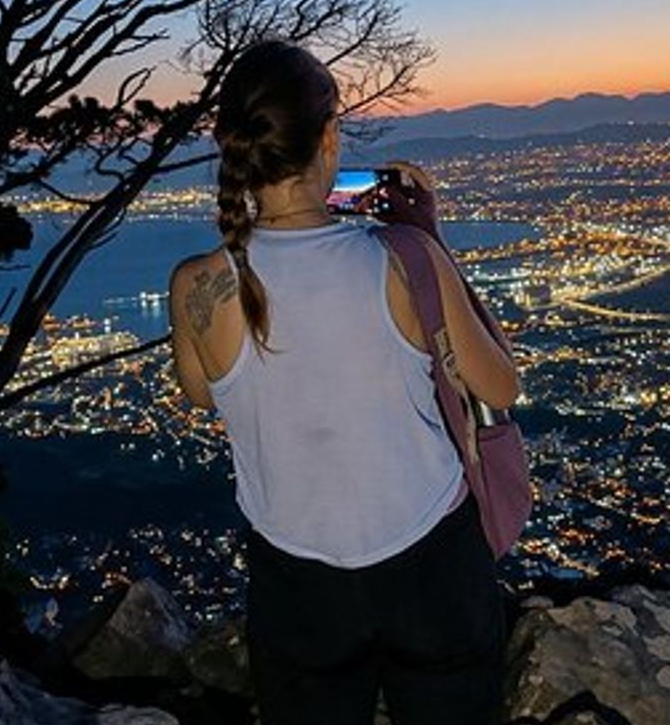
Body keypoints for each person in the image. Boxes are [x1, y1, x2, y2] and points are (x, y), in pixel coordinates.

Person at [167, 40, 521, 725]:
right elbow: (498, 387)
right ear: (330, 138)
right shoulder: (402, 257)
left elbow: (203, 392)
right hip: (432, 568)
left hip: (296, 585)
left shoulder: (197, 286)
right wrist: (430, 237)